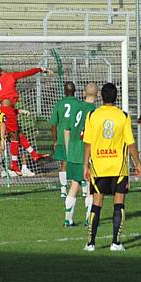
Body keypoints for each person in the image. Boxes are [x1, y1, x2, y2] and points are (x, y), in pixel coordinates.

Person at [83, 83, 141, 252]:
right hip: (118, 168)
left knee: (97, 202)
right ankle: (116, 243)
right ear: (116, 97)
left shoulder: (92, 115)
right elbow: (130, 143)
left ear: (101, 97)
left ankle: (90, 244)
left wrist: (85, 165)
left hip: (98, 167)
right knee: (119, 203)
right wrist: (137, 163)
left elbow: (87, 143)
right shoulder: (123, 116)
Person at [0, 67, 50, 176]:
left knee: (19, 133)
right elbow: (25, 73)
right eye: (3, 70)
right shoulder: (9, 75)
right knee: (15, 137)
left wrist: (18, 111)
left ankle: (34, 154)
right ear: (2, 72)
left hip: (6, 110)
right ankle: (14, 164)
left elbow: (1, 101)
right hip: (8, 111)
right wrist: (40, 69)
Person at [62, 83, 98, 227]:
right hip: (86, 151)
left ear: (84, 93)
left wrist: (68, 149)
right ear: (98, 95)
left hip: (73, 149)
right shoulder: (94, 111)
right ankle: (89, 220)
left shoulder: (76, 107)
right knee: (90, 185)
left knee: (74, 185)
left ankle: (68, 219)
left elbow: (66, 129)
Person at [50, 82, 81, 198]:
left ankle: (63, 190)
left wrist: (55, 140)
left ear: (64, 91)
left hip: (63, 138)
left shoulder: (59, 104)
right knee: (80, 162)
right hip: (77, 138)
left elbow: (53, 124)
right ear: (75, 91)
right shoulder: (79, 104)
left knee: (64, 164)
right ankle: (83, 189)